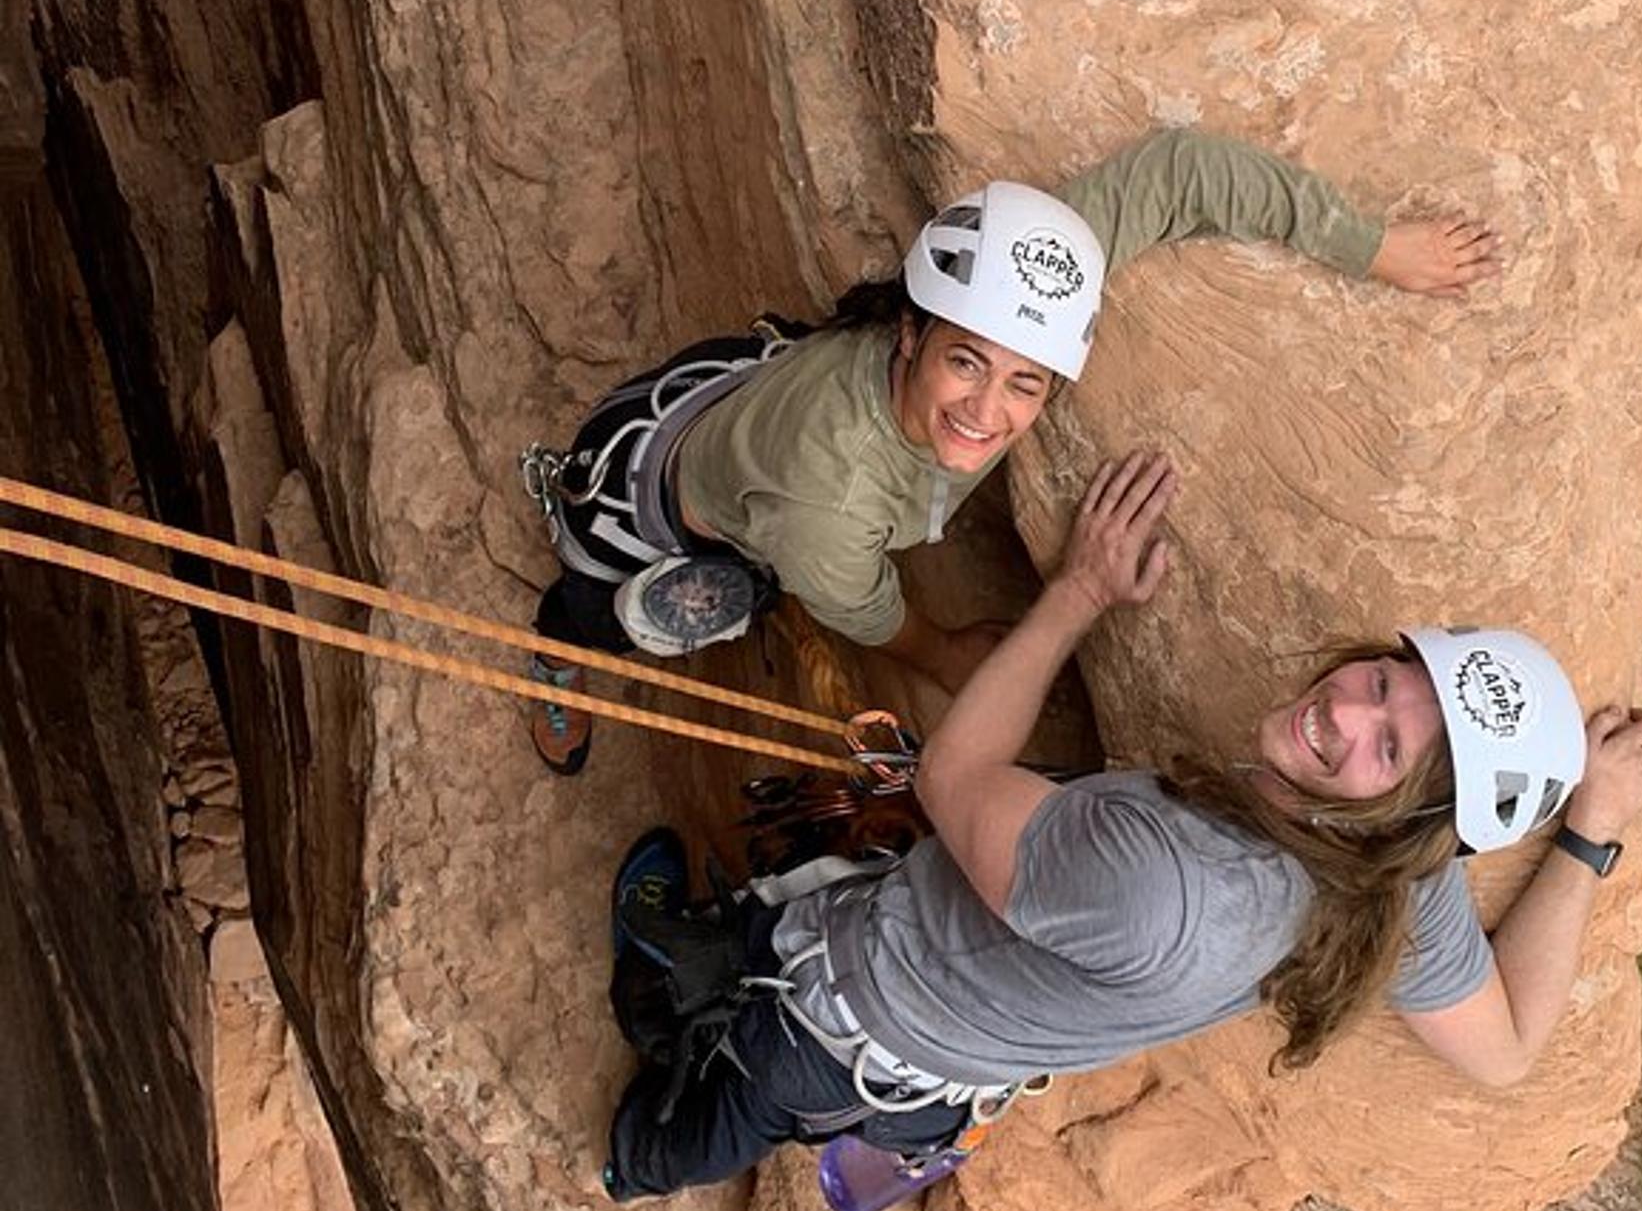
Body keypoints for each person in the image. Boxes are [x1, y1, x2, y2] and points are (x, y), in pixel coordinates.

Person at [598, 451, 1642, 1201]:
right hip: (928, 1036)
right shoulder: (1401, 882)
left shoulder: (1164, 883)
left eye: (1386, 748)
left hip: (849, 1016)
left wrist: (1080, 593)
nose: (1342, 712)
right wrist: (1587, 836)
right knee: (727, 946)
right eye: (1382, 683)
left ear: (1411, 811)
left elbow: (954, 776)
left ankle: (631, 1159)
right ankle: (665, 979)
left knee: (717, 1112)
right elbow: (1508, 1049)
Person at [520, 129, 1503, 774]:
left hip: (731, 393)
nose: (986, 412)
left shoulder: (1003, 294)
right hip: (652, 505)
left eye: (1024, 382)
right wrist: (943, 652)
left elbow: (1177, 175)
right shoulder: (829, 503)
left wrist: (1368, 245)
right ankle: (561, 650)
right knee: (659, 604)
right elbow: (862, 609)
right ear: (910, 333)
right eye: (966, 366)